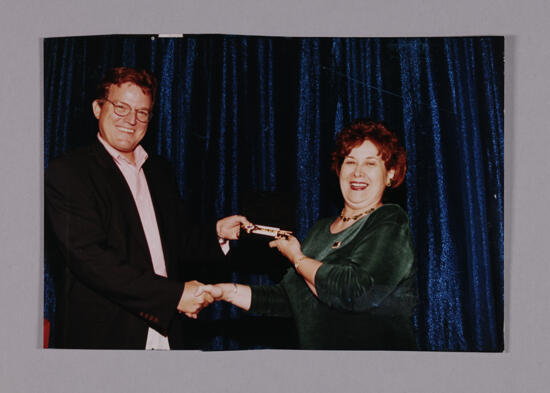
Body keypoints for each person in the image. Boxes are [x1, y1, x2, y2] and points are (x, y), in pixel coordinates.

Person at [45, 67, 249, 349]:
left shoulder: (159, 171)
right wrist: (175, 295)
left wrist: (217, 232)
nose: (131, 120)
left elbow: (175, 241)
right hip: (107, 339)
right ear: (97, 108)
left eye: (142, 112)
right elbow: (92, 261)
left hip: (167, 334)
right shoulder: (68, 172)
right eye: (120, 108)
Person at [201, 120, 417, 350]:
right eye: (350, 161)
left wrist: (297, 258)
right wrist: (224, 292)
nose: (357, 172)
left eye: (370, 163)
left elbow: (354, 292)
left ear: (390, 175)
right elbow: (287, 300)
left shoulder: (391, 221)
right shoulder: (320, 230)